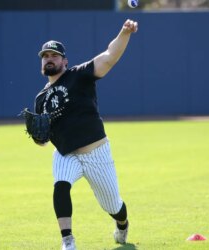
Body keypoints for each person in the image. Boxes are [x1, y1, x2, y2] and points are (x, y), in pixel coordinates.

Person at [34, 19, 138, 250]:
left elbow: (110, 56)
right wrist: (39, 138)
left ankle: (122, 224)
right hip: (66, 154)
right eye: (45, 56)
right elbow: (43, 136)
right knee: (61, 185)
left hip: (96, 152)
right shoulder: (40, 99)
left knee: (112, 205)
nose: (49, 58)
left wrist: (124, 32)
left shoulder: (79, 75)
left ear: (64, 60)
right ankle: (67, 240)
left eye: (54, 55)